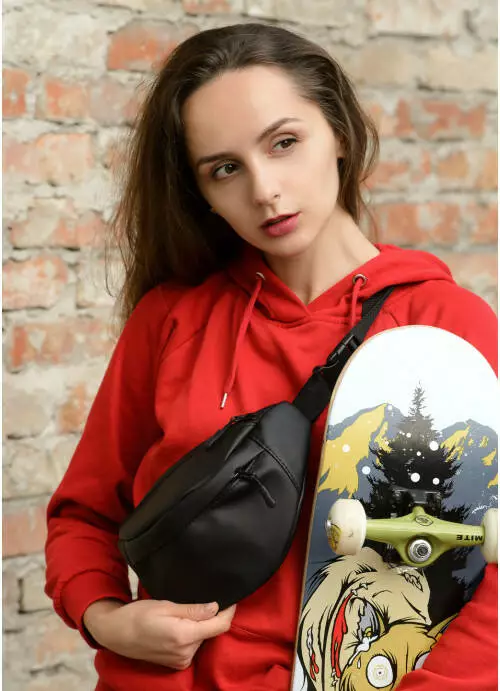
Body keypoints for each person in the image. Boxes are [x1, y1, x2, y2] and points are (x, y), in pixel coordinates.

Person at [44, 23, 497, 691]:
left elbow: (489, 585)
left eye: (284, 143)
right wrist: (107, 619)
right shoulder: (171, 320)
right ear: (201, 191)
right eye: (224, 168)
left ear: (339, 132)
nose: (264, 189)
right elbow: (83, 516)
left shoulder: (445, 326)